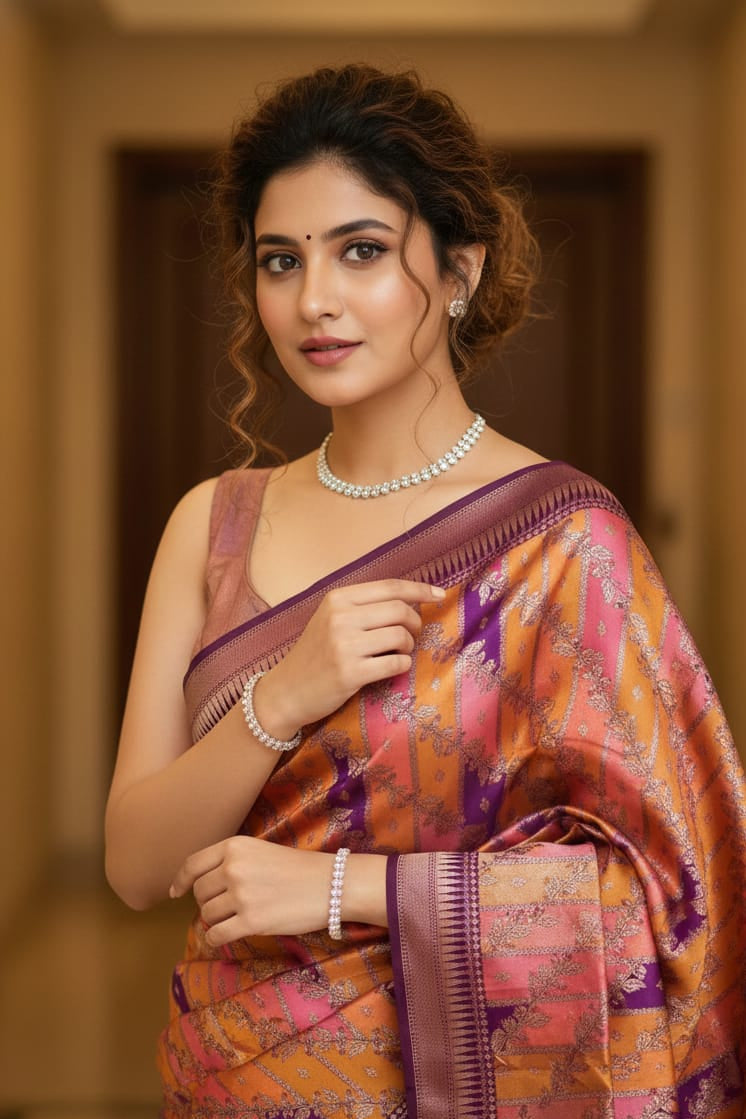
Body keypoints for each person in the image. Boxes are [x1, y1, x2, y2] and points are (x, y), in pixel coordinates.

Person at [105, 64, 746, 1119]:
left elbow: (669, 900)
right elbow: (136, 865)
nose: (313, 299)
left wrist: (337, 888)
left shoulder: (567, 543)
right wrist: (282, 697)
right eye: (280, 260)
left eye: (360, 251)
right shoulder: (212, 524)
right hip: (227, 1078)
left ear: (457, 269)